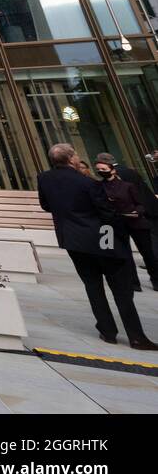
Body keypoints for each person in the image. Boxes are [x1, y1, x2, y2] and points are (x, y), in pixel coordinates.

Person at [40, 144, 156, 349]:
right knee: (121, 288)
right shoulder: (88, 183)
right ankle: (136, 336)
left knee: (92, 286)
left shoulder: (44, 179)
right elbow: (107, 213)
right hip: (103, 238)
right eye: (75, 154)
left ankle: (107, 330)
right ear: (71, 159)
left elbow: (46, 206)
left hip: (73, 240)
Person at [95, 153, 158, 292]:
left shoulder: (126, 183)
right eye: (99, 169)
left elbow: (139, 201)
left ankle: (153, 279)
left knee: (147, 252)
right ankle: (136, 282)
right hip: (119, 221)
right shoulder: (100, 186)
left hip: (135, 220)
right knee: (128, 253)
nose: (100, 172)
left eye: (103, 169)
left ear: (112, 168)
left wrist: (138, 212)